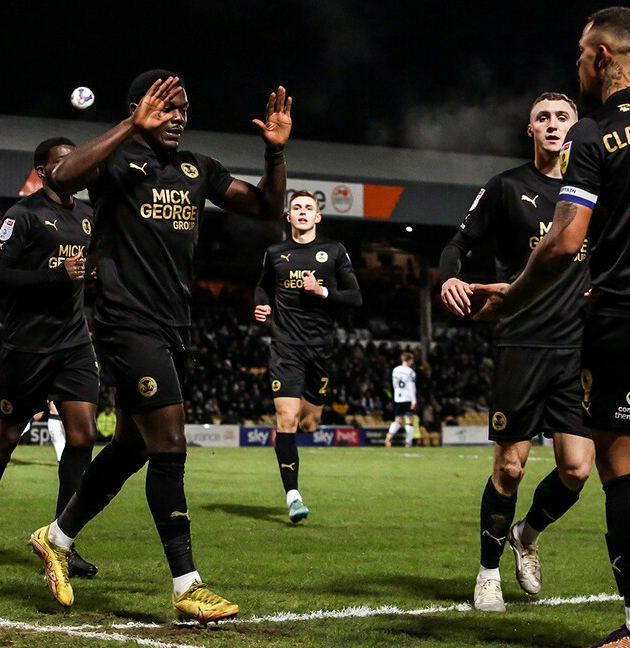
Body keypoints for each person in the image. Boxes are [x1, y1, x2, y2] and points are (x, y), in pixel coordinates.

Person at [476, 8, 630, 647]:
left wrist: (512, 296)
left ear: (605, 54)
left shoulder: (596, 133)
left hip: (629, 316)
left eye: (582, 52)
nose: (578, 63)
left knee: (623, 465)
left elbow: (565, 242)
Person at [27, 70, 291, 624]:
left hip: (176, 325)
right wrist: (130, 126)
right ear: (138, 108)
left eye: (183, 108)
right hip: (127, 322)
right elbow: (64, 177)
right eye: (166, 107)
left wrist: (274, 153)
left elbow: (268, 209)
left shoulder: (198, 167)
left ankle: (56, 538)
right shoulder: (115, 161)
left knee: (132, 447)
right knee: (169, 443)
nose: (177, 117)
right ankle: (187, 585)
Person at [440, 92, 594, 613]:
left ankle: (526, 534)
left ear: (575, 129)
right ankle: (487, 574)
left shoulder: (595, 191)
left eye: (562, 117)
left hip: (578, 347)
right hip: (521, 342)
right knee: (509, 469)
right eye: (542, 118)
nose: (552, 124)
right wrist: (450, 276)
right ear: (530, 130)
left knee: (577, 470)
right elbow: (457, 243)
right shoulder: (506, 186)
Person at [0, 137, 99, 580]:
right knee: (7, 436)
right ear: (42, 171)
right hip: (28, 346)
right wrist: (55, 274)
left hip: (74, 343)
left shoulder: (87, 215)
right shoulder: (21, 215)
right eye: (64, 161)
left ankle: (62, 542)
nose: (75, 166)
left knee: (83, 435)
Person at [254, 190, 362, 522]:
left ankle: (296, 444)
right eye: (297, 207)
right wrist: (262, 304)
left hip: (320, 348)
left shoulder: (334, 251)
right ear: (289, 217)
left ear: (318, 217)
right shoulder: (275, 253)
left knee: (308, 424)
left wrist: (322, 291)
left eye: (308, 208)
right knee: (286, 418)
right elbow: (262, 287)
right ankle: (293, 496)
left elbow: (355, 297)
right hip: (285, 346)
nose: (302, 212)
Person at [384, 352, 417, 447]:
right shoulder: (411, 372)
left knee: (398, 420)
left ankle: (389, 436)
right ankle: (408, 442)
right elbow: (411, 386)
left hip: (398, 398)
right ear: (409, 360)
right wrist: (414, 400)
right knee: (410, 421)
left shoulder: (396, 370)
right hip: (408, 398)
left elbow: (394, 384)